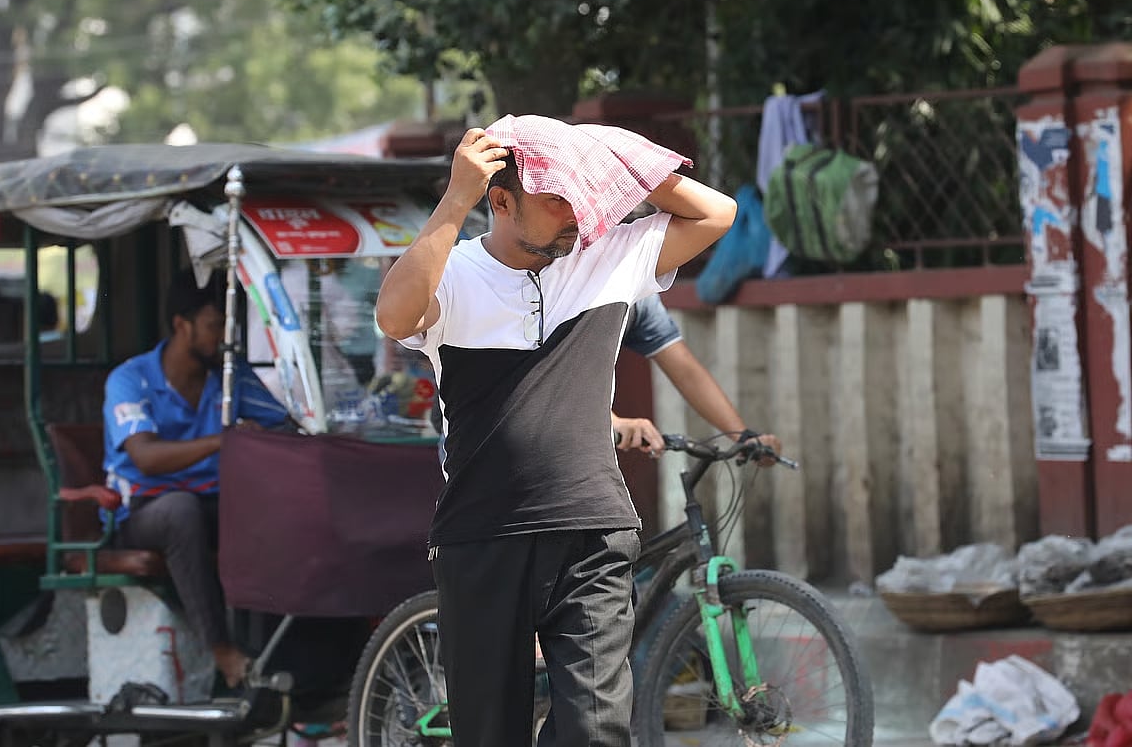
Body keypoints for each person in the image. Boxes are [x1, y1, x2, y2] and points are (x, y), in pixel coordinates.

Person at [375, 122, 739, 747]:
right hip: (481, 535)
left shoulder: (610, 258)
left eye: (582, 195)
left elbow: (716, 212)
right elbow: (394, 315)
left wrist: (609, 157)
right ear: (501, 200)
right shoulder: (454, 274)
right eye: (555, 198)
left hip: (593, 530)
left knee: (596, 733)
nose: (576, 213)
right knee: (490, 734)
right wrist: (455, 196)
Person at [102, 270, 289, 688]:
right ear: (181, 325)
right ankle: (221, 650)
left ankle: (291, 651)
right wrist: (223, 441)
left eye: (229, 325)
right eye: (214, 326)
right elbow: (146, 457)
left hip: (215, 503)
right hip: (143, 513)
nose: (225, 337)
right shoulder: (130, 380)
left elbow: (285, 426)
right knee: (180, 510)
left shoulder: (230, 375)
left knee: (273, 508)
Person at [611, 291, 783, 458]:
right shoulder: (589, 285)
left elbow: (687, 373)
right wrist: (613, 422)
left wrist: (744, 438)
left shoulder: (640, 296)